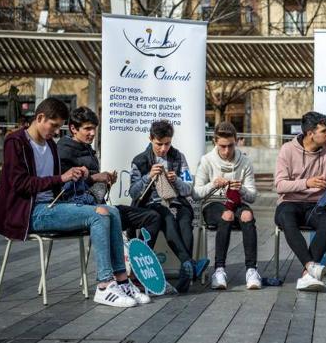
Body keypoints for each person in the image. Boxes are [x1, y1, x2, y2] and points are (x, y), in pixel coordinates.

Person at [0, 98, 147, 307]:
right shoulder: (16, 142)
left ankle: (121, 280)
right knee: (99, 214)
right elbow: (20, 184)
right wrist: (62, 178)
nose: (57, 131)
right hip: (29, 212)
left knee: (111, 211)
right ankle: (104, 285)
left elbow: (58, 180)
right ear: (40, 118)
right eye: (54, 125)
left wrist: (80, 175)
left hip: (53, 205)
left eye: (60, 126)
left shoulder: (50, 144)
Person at [57, 107, 162, 250]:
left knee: (153, 217)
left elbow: (92, 186)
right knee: (111, 216)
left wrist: (105, 182)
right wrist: (95, 178)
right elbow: (64, 189)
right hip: (80, 210)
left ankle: (139, 260)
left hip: (99, 205)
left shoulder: (87, 148)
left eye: (94, 128)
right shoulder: (64, 150)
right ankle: (116, 268)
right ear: (73, 128)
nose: (93, 133)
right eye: (87, 129)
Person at [129, 120, 205, 293]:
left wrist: (176, 180)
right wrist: (148, 177)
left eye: (167, 144)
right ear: (150, 138)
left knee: (185, 218)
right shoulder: (140, 160)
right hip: (150, 205)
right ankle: (189, 264)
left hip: (177, 202)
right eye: (159, 144)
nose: (164, 149)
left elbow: (187, 189)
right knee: (166, 216)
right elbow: (133, 193)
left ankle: (185, 272)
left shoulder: (178, 157)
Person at [274, 111, 326, 291]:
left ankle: (306, 273)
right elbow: (280, 186)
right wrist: (307, 183)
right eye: (324, 131)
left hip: (316, 205)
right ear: (311, 133)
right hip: (290, 203)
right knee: (287, 217)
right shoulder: (287, 150)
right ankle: (311, 267)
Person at [193, 122, 260, 290]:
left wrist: (242, 189)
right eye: (222, 146)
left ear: (236, 141)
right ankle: (219, 269)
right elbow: (195, 193)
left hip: (236, 202)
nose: (226, 151)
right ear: (215, 142)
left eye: (231, 145)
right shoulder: (207, 160)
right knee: (227, 215)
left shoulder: (244, 161)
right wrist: (213, 185)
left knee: (247, 215)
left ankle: (252, 270)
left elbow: (252, 196)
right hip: (212, 203)